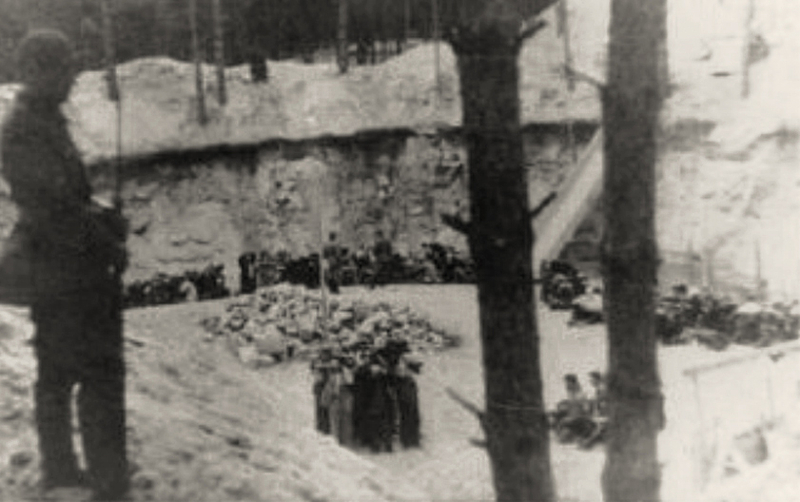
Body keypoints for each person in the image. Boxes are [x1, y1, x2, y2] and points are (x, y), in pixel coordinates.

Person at [1, 30, 129, 501]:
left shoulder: (43, 123)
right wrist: (107, 244)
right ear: (37, 71)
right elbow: (55, 212)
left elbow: (68, 202)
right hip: (66, 275)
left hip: (66, 271)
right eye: (64, 67)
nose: (73, 76)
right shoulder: (23, 131)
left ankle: (69, 475)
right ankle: (95, 480)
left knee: (61, 374)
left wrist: (102, 218)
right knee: (92, 376)